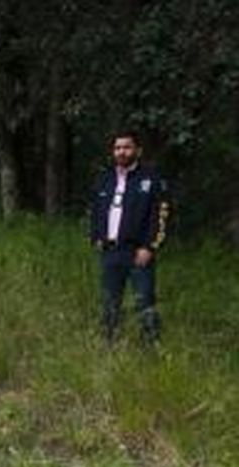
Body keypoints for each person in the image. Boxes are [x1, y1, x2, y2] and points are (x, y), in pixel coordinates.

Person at [90, 131, 169, 347]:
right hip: (111, 251)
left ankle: (150, 346)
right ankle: (109, 344)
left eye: (126, 147)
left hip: (139, 252)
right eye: (117, 148)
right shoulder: (104, 179)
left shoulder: (151, 179)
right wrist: (96, 237)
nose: (121, 152)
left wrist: (150, 246)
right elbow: (96, 211)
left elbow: (161, 215)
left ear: (137, 150)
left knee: (144, 301)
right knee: (110, 301)